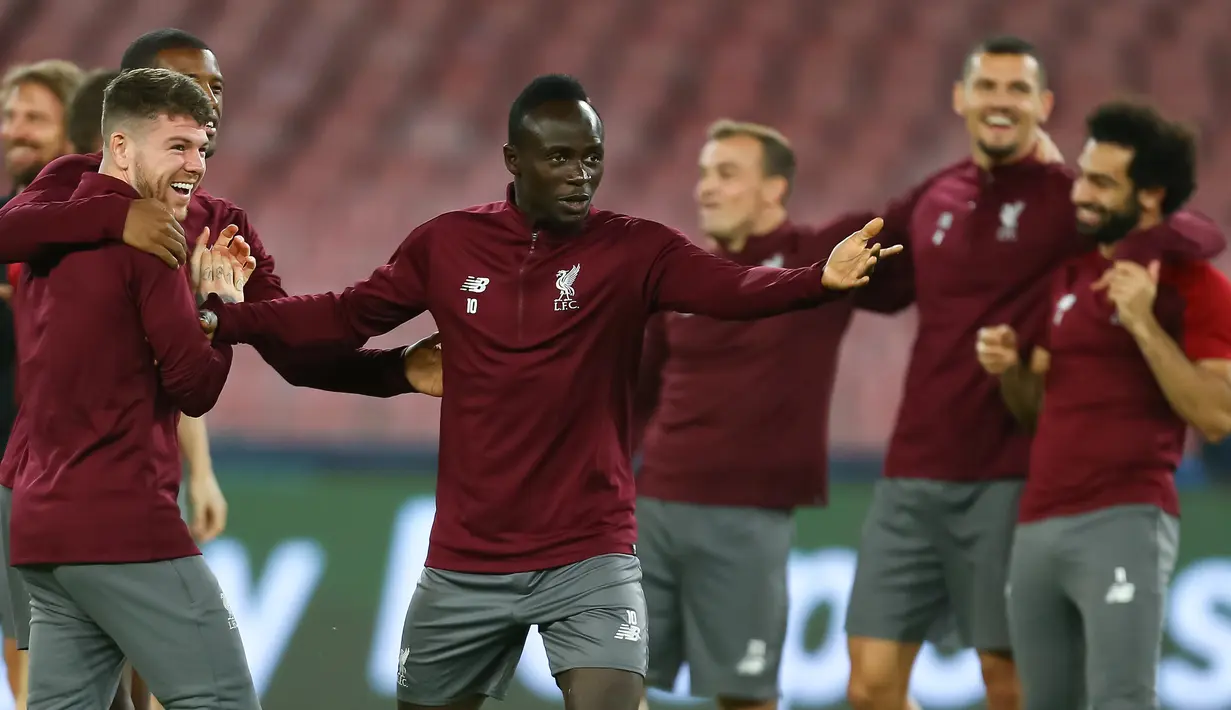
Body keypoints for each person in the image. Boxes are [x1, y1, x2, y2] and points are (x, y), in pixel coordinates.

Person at [194, 73, 898, 710]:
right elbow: (343, 319)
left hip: (588, 554)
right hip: (466, 561)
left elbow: (733, 288)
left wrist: (815, 280)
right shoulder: (445, 245)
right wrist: (232, 320)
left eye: (590, 158)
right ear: (513, 161)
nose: (578, 174)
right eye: (559, 158)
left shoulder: (634, 250)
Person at [842, 35, 1222, 710]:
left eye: (1016, 89)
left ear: (1041, 106)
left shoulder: (1098, 221)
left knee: (1051, 689)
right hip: (960, 486)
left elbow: (1195, 236)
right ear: (959, 97)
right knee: (876, 684)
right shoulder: (953, 203)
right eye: (985, 86)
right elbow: (868, 270)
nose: (999, 101)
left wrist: (1136, 299)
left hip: (1049, 485)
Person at [7, 67, 258, 710]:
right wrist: (217, 308)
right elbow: (194, 387)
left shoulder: (47, 220)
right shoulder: (153, 240)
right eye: (178, 146)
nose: (196, 163)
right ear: (120, 146)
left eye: (202, 147)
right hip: (123, 522)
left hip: (42, 529)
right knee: (222, 699)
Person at [976, 100, 1231, 710]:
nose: (1080, 193)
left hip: (1125, 520)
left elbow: (1217, 416)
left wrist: (1143, 324)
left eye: (1101, 182)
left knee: (1121, 700)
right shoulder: (1069, 276)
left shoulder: (1197, 285)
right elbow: (1036, 412)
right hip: (1038, 526)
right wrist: (1011, 369)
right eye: (1084, 174)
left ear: (1150, 196)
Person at [633, 119, 875, 710]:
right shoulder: (683, 278)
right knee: (613, 683)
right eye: (704, 174)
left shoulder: (823, 262)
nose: (705, 188)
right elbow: (633, 397)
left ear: (774, 189)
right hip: (652, 509)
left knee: (745, 696)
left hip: (746, 519)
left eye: (726, 174)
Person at [0, 57, 83, 710]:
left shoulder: (94, 228)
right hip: (10, 465)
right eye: (9, 115)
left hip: (79, 470)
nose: (15, 129)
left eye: (35, 116)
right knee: (23, 641)